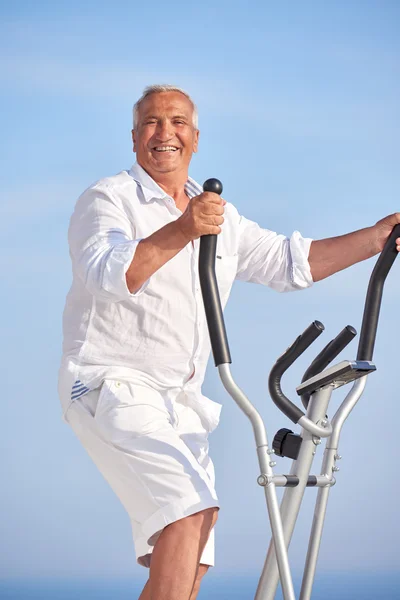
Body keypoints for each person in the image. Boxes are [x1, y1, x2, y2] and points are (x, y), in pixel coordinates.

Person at [59, 84, 400, 600]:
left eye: (177, 122)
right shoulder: (108, 199)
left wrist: (377, 238)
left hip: (183, 403)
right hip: (111, 383)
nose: (164, 132)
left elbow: (294, 263)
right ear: (134, 139)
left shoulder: (219, 213)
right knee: (188, 508)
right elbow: (111, 273)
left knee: (189, 554)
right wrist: (182, 230)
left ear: (195, 139)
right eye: (152, 122)